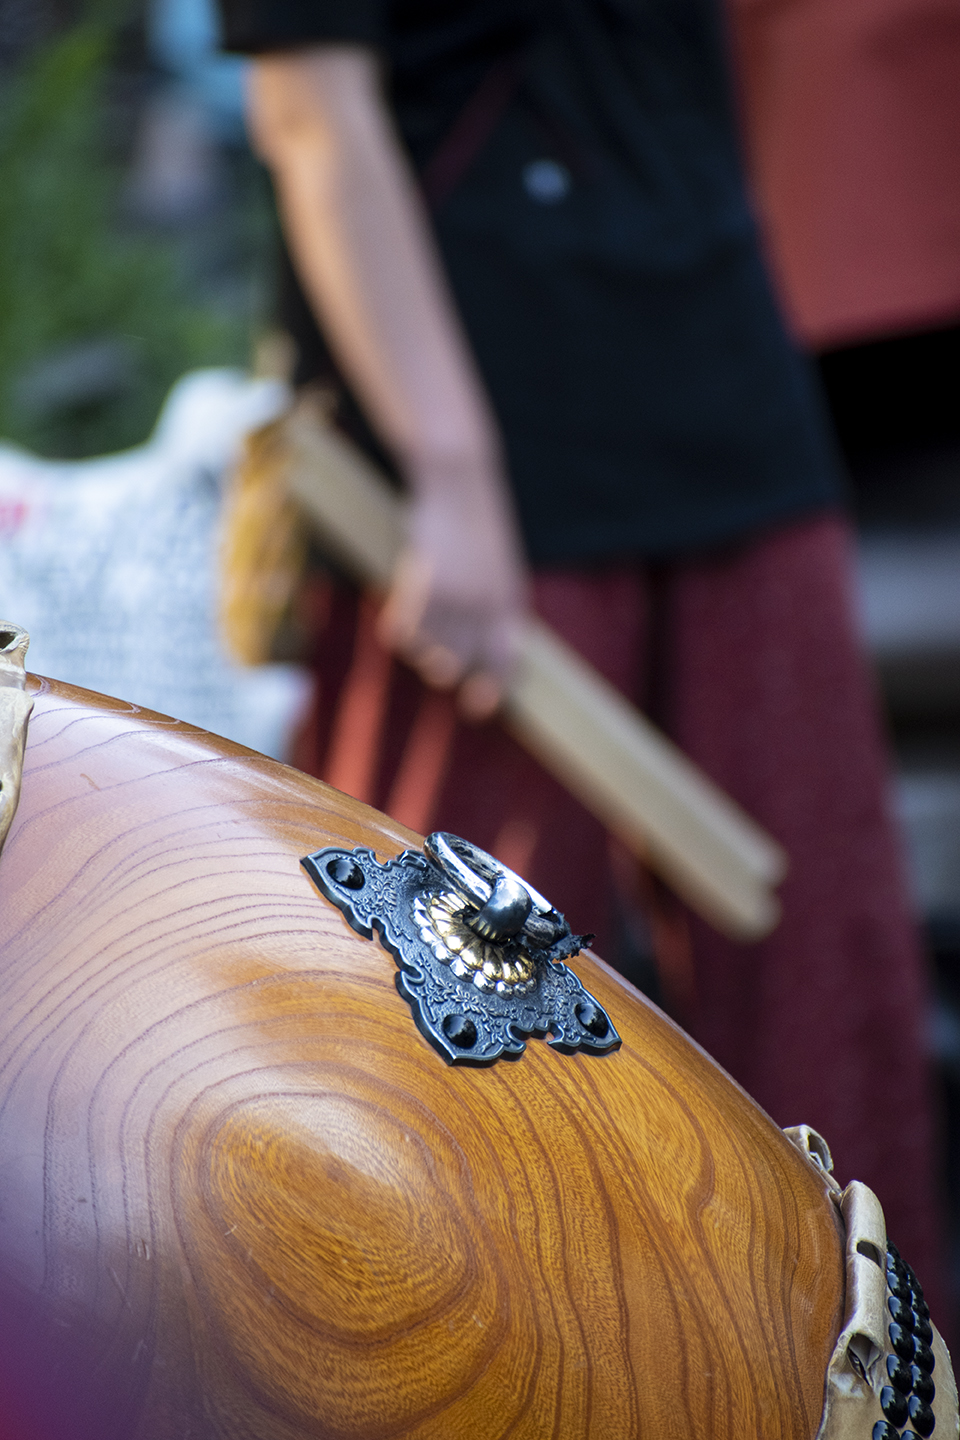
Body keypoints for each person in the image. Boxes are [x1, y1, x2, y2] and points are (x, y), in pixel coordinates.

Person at [219, 1, 944, 1299]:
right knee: (441, 1022)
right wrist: (449, 472)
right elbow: (309, 108)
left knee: (824, 986)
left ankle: (853, 1379)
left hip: (725, 377)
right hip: (477, 435)